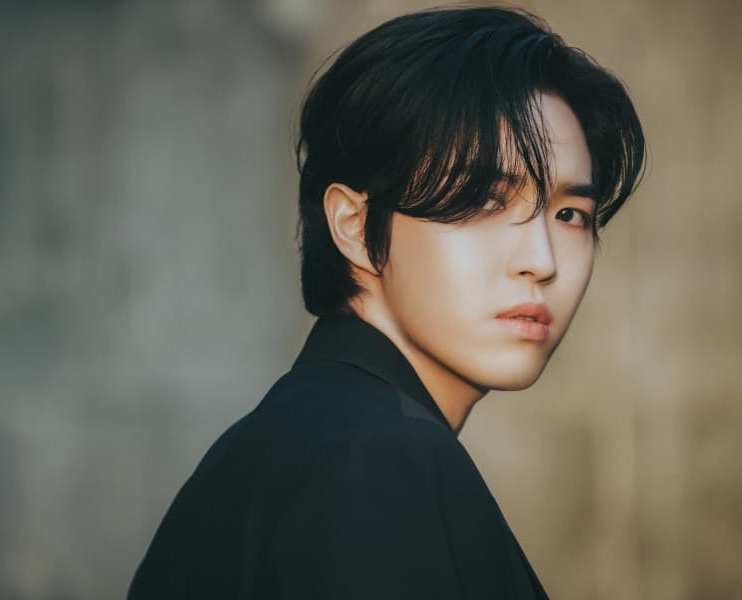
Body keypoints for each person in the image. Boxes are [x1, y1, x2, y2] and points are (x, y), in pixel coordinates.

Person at [127, 5, 646, 599]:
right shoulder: (376, 457)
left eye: (570, 214)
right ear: (354, 225)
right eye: (485, 201)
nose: (543, 260)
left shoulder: (303, 437)